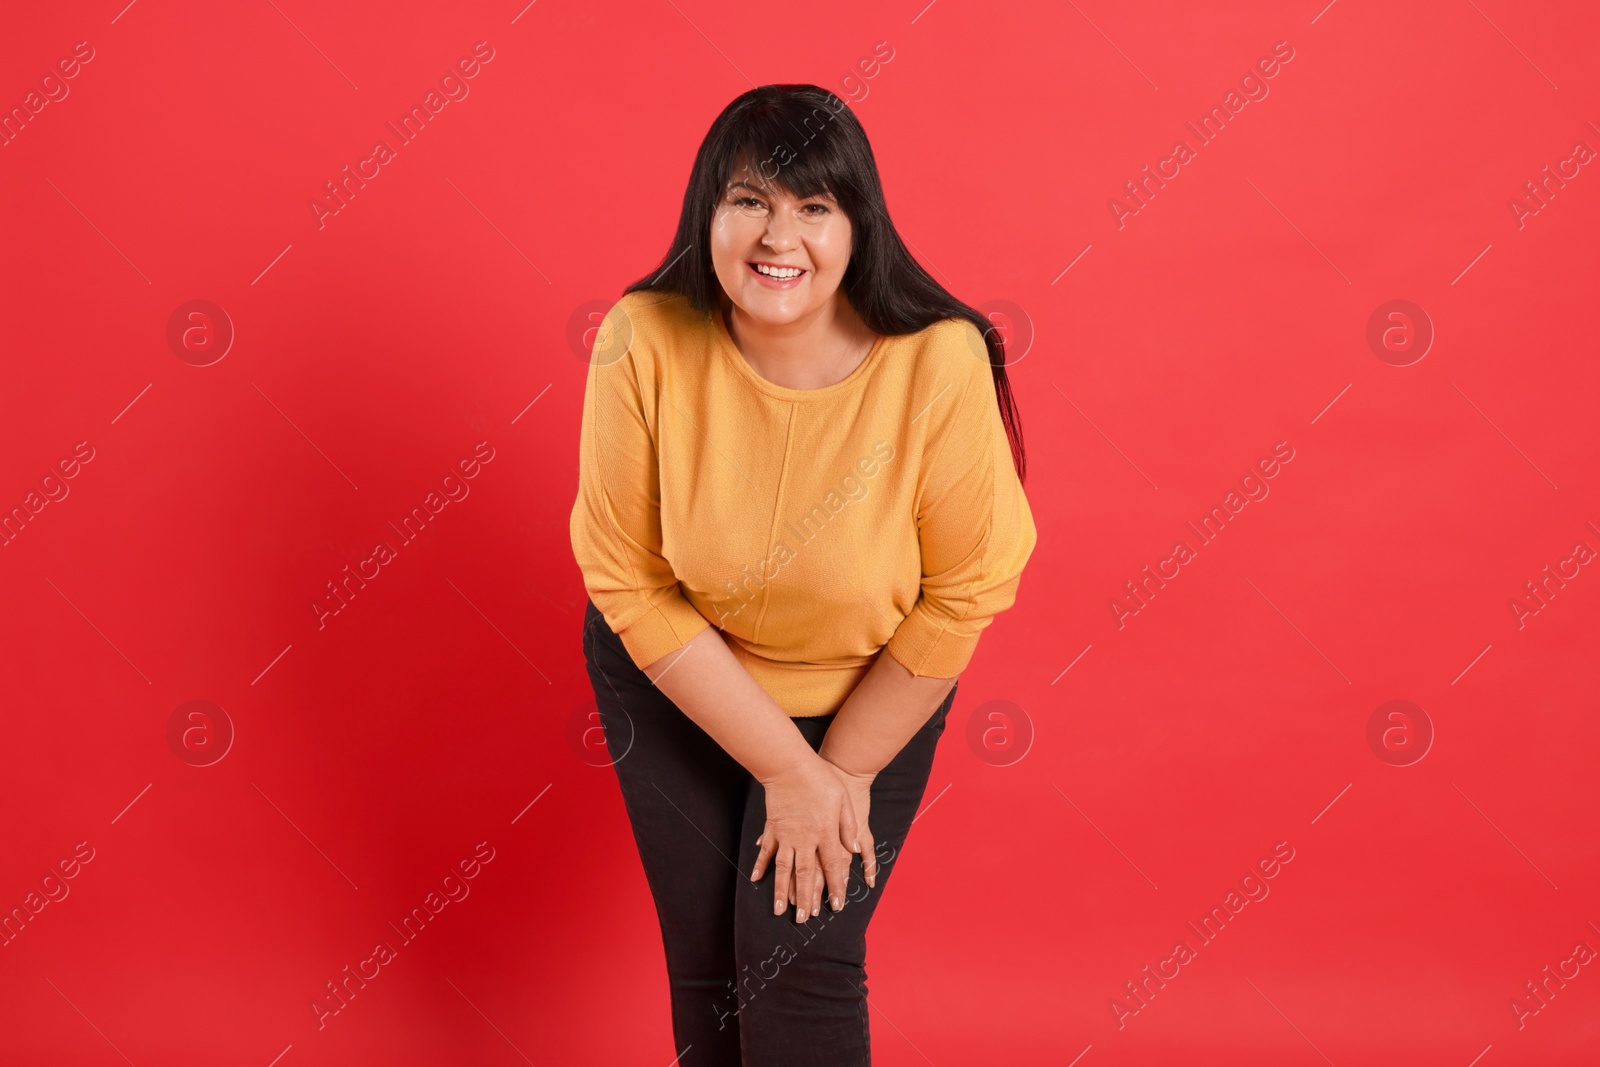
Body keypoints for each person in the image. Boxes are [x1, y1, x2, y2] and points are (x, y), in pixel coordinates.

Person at [570, 82, 1037, 1066]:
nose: (778, 236)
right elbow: (625, 576)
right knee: (708, 961)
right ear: (709, 213)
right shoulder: (641, 338)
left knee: (792, 957)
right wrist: (784, 768)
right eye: (750, 200)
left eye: (813, 207)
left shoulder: (935, 362)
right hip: (676, 680)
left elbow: (968, 585)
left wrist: (838, 773)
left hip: (862, 688)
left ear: (857, 225)